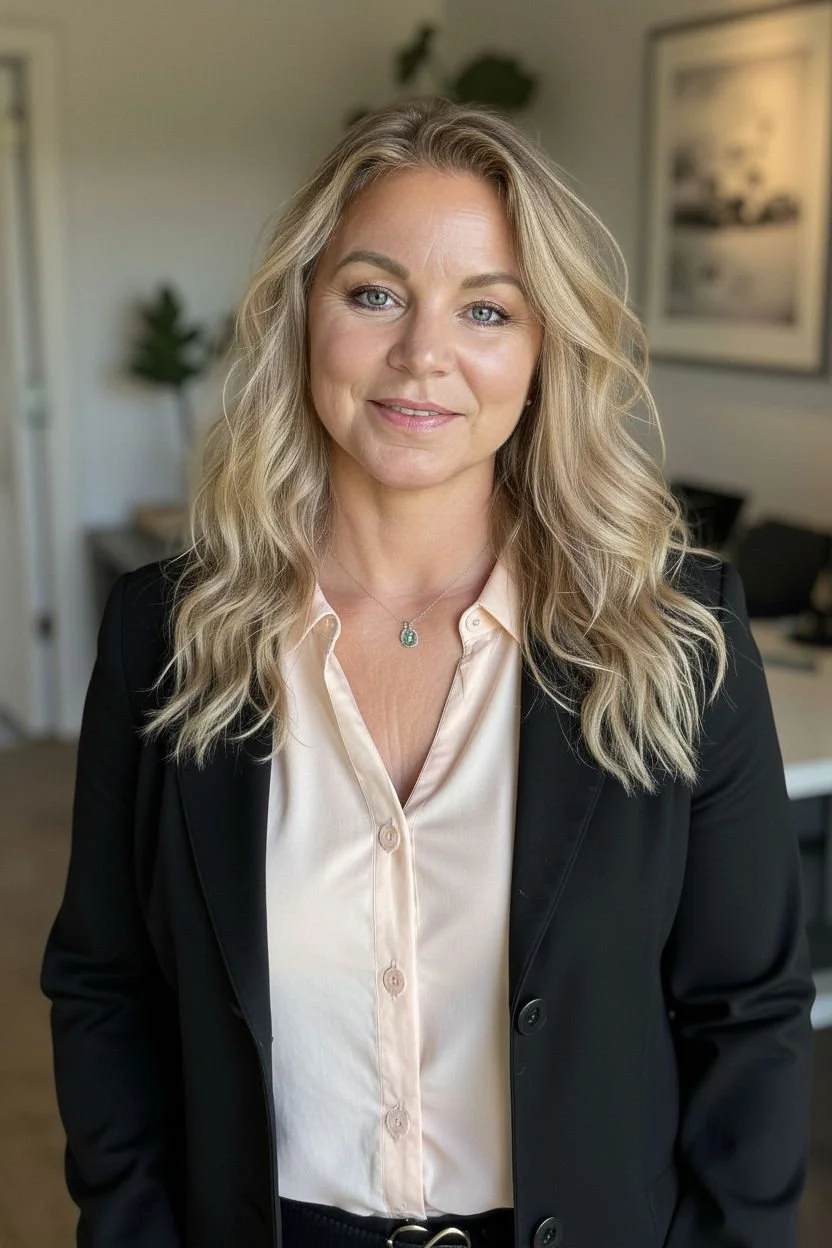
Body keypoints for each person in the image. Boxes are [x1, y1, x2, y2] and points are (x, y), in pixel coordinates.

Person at [41, 96, 814, 1248]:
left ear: (542, 348)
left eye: (485, 309)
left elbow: (745, 1018)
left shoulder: (677, 638)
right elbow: (107, 988)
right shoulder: (166, 633)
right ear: (304, 314)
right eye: (373, 293)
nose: (422, 356)